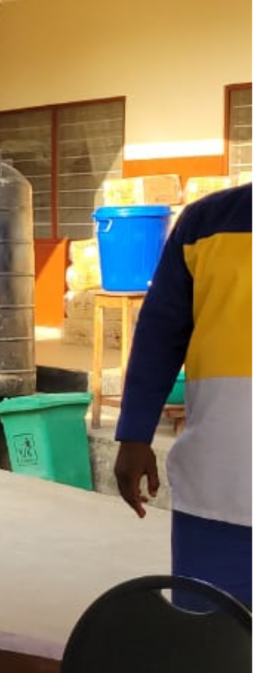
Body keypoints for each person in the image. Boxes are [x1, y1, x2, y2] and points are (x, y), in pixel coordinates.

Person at [112, 184, 251, 608]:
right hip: (219, 493)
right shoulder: (206, 223)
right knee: (209, 650)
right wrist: (134, 434)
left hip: (221, 484)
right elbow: (159, 333)